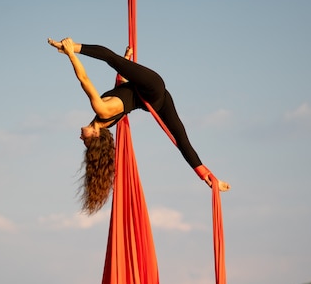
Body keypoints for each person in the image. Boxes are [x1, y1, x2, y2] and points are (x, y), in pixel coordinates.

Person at [48, 37, 230, 213]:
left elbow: (121, 93)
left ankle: (208, 178)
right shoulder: (101, 111)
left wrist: (125, 63)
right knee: (111, 59)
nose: (81, 138)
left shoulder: (105, 121)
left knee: (181, 139)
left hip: (152, 101)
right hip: (151, 89)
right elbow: (84, 79)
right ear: (95, 136)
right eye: (85, 141)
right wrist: (72, 52)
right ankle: (209, 178)